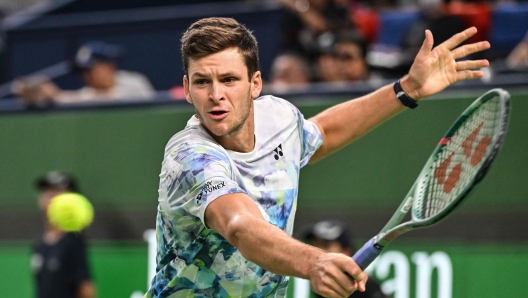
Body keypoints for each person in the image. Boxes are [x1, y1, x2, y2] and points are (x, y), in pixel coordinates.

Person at [146, 17, 489, 298]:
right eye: (202, 82)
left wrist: (406, 89)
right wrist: (315, 262)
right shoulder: (189, 156)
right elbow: (240, 226)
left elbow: (322, 134)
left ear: (255, 84)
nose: (216, 95)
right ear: (187, 89)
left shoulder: (278, 118)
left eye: (229, 79)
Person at [14, 41, 155, 107]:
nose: (86, 75)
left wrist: (58, 96)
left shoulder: (134, 82)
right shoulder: (87, 93)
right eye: (83, 71)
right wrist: (37, 93)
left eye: (90, 69)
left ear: (109, 66)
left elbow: (111, 100)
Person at [31, 171, 96, 298]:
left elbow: (86, 289)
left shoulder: (73, 242)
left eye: (56, 191)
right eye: (46, 191)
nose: (50, 196)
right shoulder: (39, 243)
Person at [303, 220, 388, 298]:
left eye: (326, 245)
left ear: (346, 251)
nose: (317, 250)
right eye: (315, 244)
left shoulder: (368, 288)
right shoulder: (322, 284)